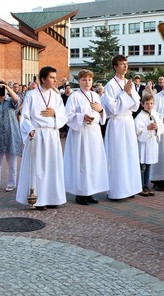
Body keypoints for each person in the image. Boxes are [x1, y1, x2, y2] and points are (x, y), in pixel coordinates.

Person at [16, 66, 68, 210]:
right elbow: (25, 117)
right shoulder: (31, 95)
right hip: (37, 134)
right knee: (39, 167)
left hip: (52, 134)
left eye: (55, 78)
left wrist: (55, 112)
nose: (55, 80)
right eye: (51, 77)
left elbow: (64, 116)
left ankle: (52, 198)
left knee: (53, 166)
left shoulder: (57, 96)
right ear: (43, 78)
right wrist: (30, 130)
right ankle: (38, 199)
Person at [63, 69, 108, 205]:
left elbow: (102, 114)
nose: (87, 82)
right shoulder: (74, 97)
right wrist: (82, 117)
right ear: (79, 81)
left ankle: (89, 192)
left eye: (89, 79)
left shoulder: (95, 95)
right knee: (81, 162)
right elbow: (68, 116)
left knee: (92, 162)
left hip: (94, 133)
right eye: (84, 80)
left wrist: (101, 110)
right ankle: (80, 193)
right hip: (80, 133)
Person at [102, 55, 142, 200]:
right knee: (118, 155)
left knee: (130, 154)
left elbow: (137, 104)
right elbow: (113, 108)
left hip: (128, 122)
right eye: (122, 64)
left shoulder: (128, 83)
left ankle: (130, 188)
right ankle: (117, 190)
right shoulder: (110, 85)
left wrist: (128, 94)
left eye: (126, 64)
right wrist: (125, 94)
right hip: (117, 123)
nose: (125, 66)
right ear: (115, 67)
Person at [0, 80, 21, 192]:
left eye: (1, 88)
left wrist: (7, 87)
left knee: (12, 162)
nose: (0, 90)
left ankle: (11, 184)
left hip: (11, 133)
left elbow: (17, 100)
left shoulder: (10, 100)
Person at [135, 93, 164, 196]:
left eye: (151, 103)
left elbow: (162, 127)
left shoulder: (155, 114)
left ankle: (146, 186)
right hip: (143, 145)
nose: (149, 105)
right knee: (142, 166)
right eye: (147, 103)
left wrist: (157, 128)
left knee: (148, 166)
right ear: (142, 104)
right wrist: (147, 128)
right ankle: (140, 186)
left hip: (151, 144)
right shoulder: (139, 117)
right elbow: (137, 131)